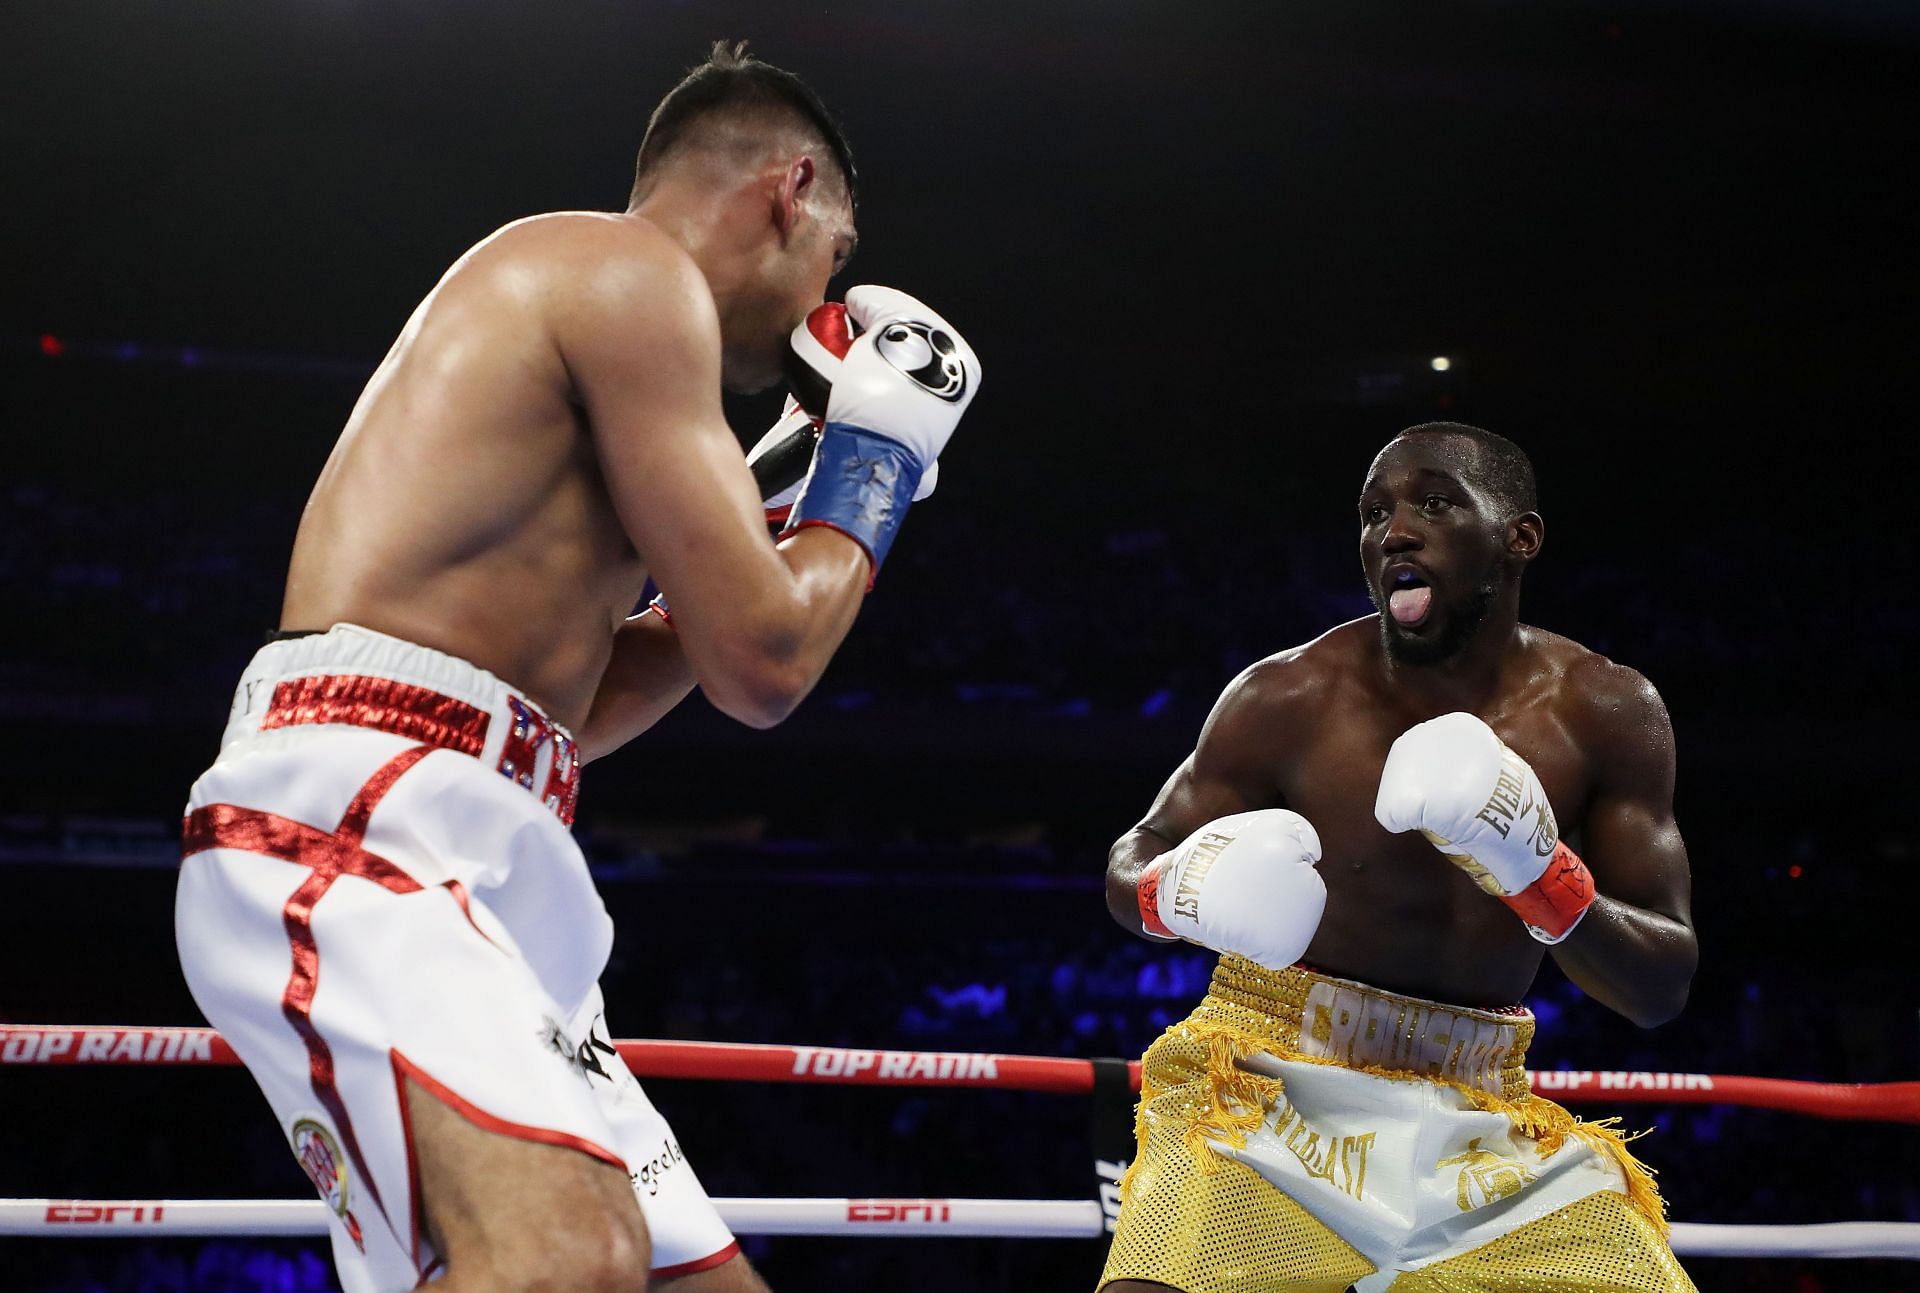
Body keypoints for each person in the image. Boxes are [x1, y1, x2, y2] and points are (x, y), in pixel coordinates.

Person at [173, 42, 980, 1293]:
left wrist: (794, 505)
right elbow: (769, 663)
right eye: (838, 250)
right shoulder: (623, 271)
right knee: (562, 1253)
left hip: (480, 835)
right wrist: (875, 466)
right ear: (791, 186)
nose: (836, 291)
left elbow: (586, 707)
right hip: (361, 814)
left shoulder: (620, 359)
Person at [1099, 423, 1698, 1292]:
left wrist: (1541, 875)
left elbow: (1662, 983)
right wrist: (1171, 891)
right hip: (1269, 1082)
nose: (1395, 531)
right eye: (1374, 512)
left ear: (1520, 537)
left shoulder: (1607, 710)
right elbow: (1135, 856)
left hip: (1482, 1115)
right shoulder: (1291, 694)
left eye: (1436, 502)